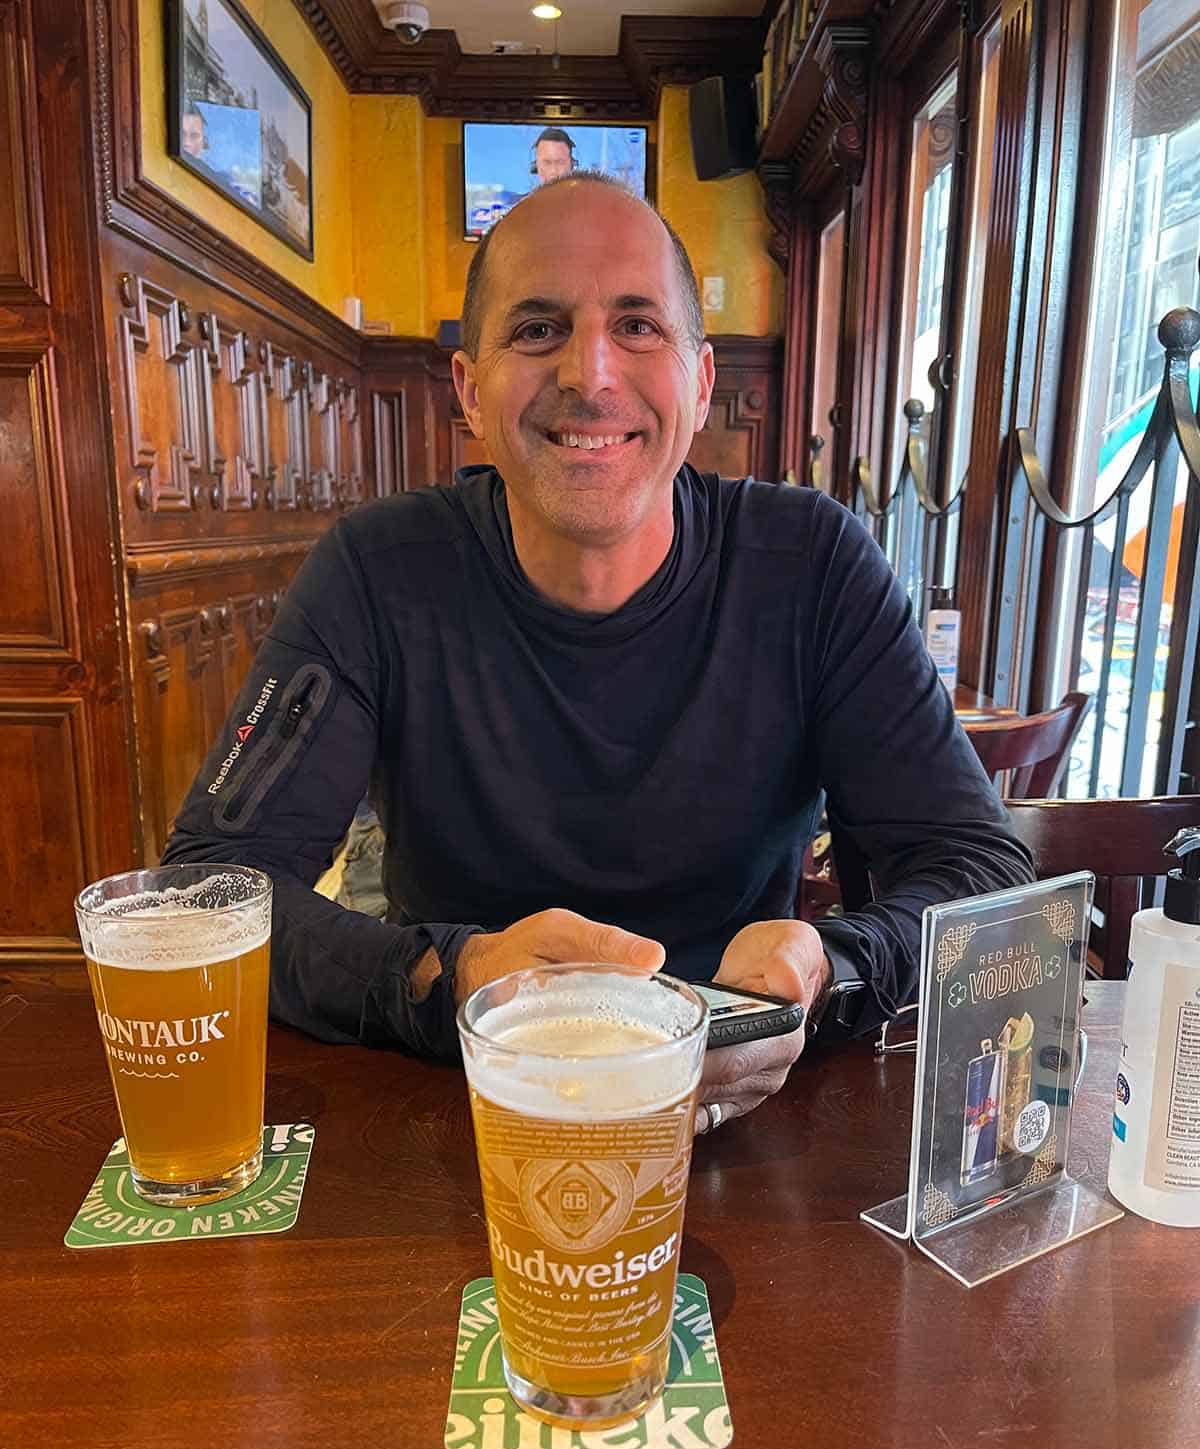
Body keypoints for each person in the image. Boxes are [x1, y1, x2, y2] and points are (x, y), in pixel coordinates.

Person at [162, 174, 1032, 1133]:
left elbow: (980, 868)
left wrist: (828, 969)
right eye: (537, 329)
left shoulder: (811, 564)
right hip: (459, 1103)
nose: (591, 373)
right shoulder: (379, 570)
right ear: (469, 391)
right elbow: (209, 891)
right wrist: (446, 979)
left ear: (701, 384)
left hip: (749, 1103)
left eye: (639, 326)